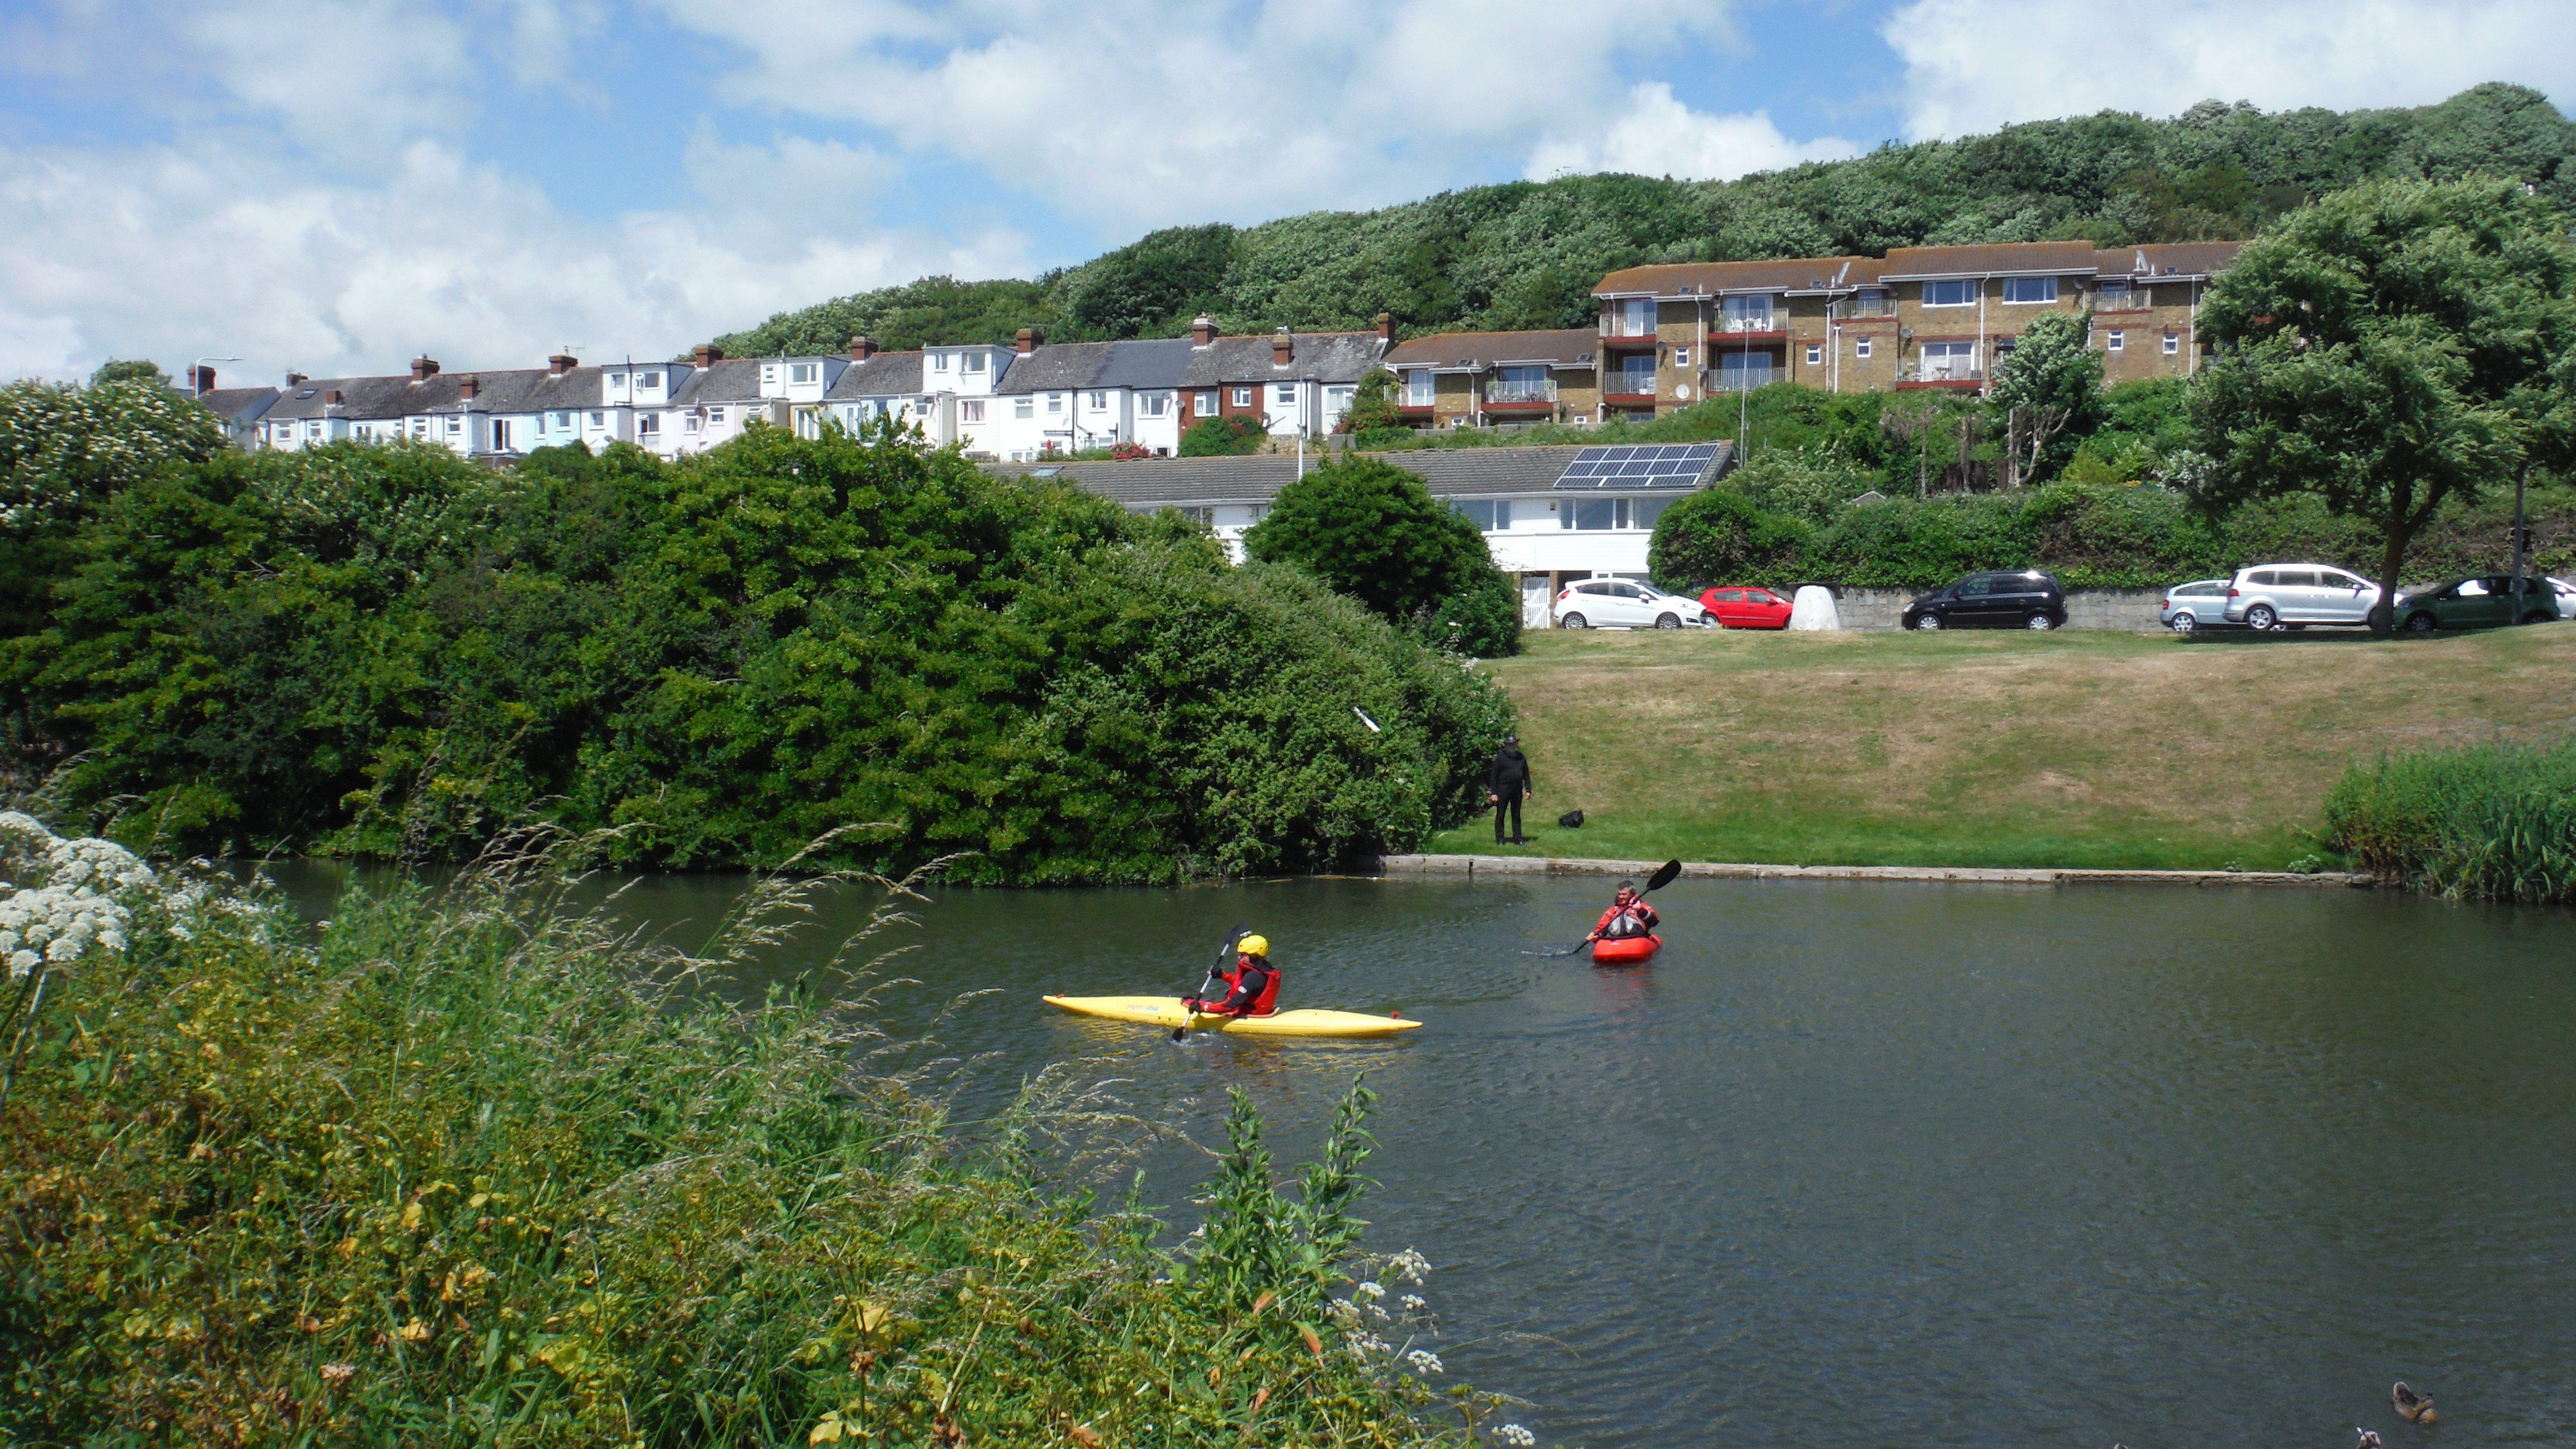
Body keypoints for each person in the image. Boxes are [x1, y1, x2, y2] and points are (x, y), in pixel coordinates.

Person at [1186, 934, 1280, 1017]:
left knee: (1188, 1002)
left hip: (1249, 1013)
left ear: (1254, 956)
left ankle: (1189, 1002)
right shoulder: (1265, 969)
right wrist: (1221, 975)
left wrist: (1205, 1008)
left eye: (1243, 955)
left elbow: (1232, 1004)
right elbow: (1242, 983)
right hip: (1263, 1011)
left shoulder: (1254, 977)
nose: (1239, 957)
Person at [1486, 734, 1534, 845]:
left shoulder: (1521, 758)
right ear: (1506, 745)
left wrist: (1528, 790)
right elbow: (1494, 776)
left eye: (1514, 744)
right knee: (1501, 814)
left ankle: (1518, 839)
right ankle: (1500, 839)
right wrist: (1494, 793)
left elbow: (1526, 774)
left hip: (1517, 790)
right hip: (1503, 790)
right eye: (1510, 744)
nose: (1512, 746)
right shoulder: (1501, 758)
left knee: (1516, 815)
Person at [1589, 882, 1659, 943]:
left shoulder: (1642, 906)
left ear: (1632, 895)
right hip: (1615, 940)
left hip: (1637, 939)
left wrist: (1640, 911)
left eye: (1624, 894)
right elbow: (1602, 926)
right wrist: (1596, 935)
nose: (1621, 897)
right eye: (1619, 894)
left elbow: (1655, 922)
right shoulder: (1613, 910)